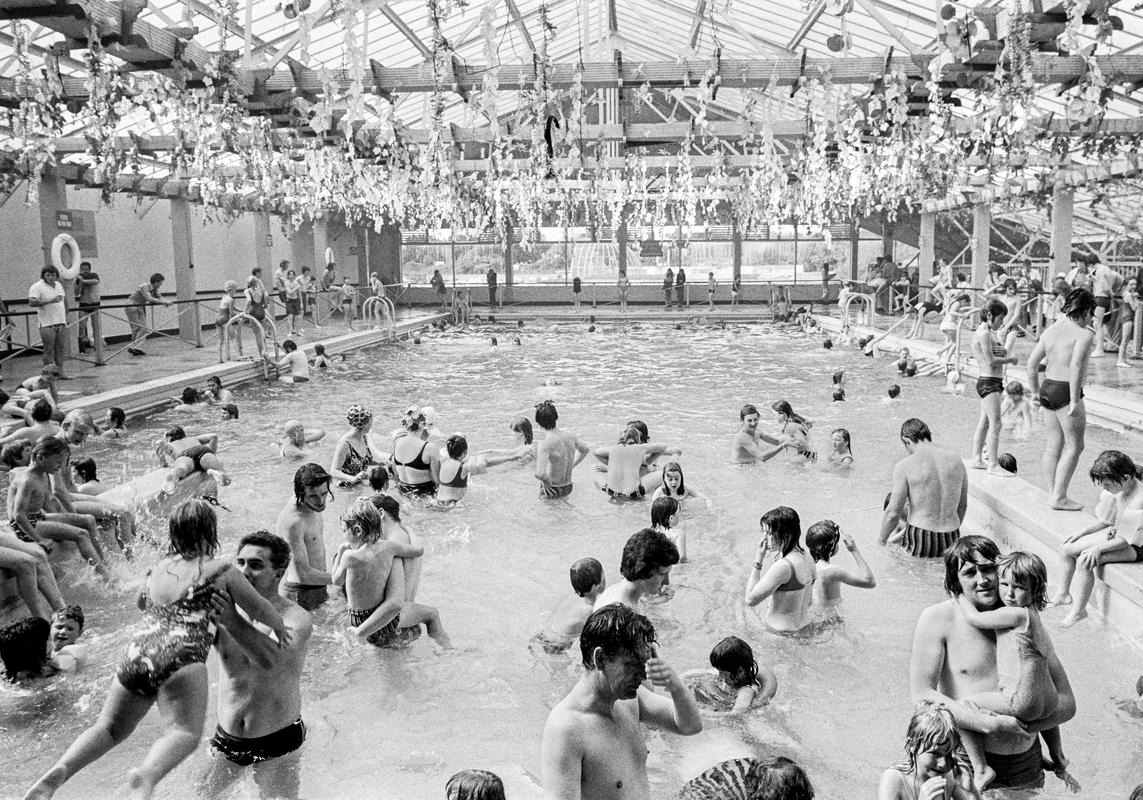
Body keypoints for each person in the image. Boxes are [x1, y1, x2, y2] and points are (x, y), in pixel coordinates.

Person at [23, 500, 290, 800]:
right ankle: (147, 776)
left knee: (109, 728)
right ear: (210, 532)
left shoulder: (158, 568)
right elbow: (259, 607)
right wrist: (278, 624)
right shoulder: (223, 570)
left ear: (173, 534)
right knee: (184, 733)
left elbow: (141, 603)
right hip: (183, 652)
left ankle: (58, 772)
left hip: (138, 650)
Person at [910, 536, 1076, 790]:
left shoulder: (1022, 620)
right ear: (955, 580)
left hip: (1026, 761)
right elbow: (921, 696)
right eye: (969, 573)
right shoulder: (938, 618)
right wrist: (990, 724)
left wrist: (1023, 726)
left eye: (988, 569)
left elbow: (1066, 703)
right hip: (964, 761)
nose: (983, 579)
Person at [540, 604, 702, 799]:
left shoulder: (630, 702)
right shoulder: (566, 729)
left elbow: (690, 726)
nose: (643, 675)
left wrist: (675, 685)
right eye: (632, 664)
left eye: (645, 663)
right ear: (600, 659)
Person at [198, 531, 313, 800]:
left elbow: (273, 660)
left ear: (279, 573)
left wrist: (230, 621)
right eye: (240, 563)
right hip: (227, 739)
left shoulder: (296, 618)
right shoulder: (223, 607)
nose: (244, 571)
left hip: (277, 741)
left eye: (256, 565)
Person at [953, 551, 1069, 791]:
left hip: (1022, 699)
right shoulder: (1035, 618)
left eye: (1018, 587)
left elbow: (975, 619)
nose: (1008, 592)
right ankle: (1058, 758)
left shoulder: (1015, 613)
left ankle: (982, 768)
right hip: (1047, 699)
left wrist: (958, 594)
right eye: (1004, 584)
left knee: (965, 707)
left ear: (1035, 590)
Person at [331, 499, 449, 647]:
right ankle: (446, 649)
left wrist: (342, 551)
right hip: (384, 622)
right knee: (433, 613)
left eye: (344, 531)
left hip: (358, 619)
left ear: (357, 531)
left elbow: (336, 580)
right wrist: (409, 530)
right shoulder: (389, 548)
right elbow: (418, 551)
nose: (344, 536)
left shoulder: (349, 556)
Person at [1052, 450, 1143, 628]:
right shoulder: (1122, 488)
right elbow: (1106, 521)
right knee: (1066, 548)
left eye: (1107, 484)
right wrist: (1081, 534)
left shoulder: (1138, 500)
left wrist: (1098, 548)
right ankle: (1063, 594)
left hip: (1137, 546)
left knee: (1085, 559)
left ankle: (1079, 611)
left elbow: (1126, 540)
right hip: (1122, 535)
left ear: (1125, 477)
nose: (1104, 488)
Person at [1026, 288, 1096, 511]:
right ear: (1084, 312)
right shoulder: (1084, 335)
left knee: (1054, 443)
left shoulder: (1051, 330)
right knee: (1075, 446)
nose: (1091, 319)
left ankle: (1053, 492)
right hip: (1067, 391)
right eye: (1091, 314)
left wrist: (1035, 392)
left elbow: (1031, 364)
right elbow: (1075, 365)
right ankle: (1060, 496)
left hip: (1048, 388)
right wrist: (1075, 400)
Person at [7, 435, 108, 578]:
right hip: (25, 525)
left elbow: (45, 504)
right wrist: (39, 540)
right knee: (81, 534)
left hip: (37, 518)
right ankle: (105, 576)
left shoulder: (42, 474)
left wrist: (66, 520)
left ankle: (105, 563)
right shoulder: (27, 480)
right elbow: (18, 516)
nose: (60, 467)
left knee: (88, 519)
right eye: (57, 462)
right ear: (41, 458)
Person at [879, 419, 967, 558]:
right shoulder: (956, 460)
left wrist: (881, 542)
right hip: (951, 533)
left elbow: (893, 513)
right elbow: (962, 506)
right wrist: (951, 529)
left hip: (921, 534)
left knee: (911, 574)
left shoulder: (905, 465)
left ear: (906, 440)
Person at [878, 702, 979, 800]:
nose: (943, 764)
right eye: (935, 753)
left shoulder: (948, 776)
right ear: (913, 745)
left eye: (948, 754)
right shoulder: (893, 779)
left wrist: (971, 791)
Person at [744, 506, 815, 633]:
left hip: (779, 635)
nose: (765, 538)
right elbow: (808, 602)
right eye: (764, 532)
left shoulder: (783, 566)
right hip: (804, 629)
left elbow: (750, 600)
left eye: (769, 533)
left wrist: (758, 560)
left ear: (786, 535)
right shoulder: (808, 558)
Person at [970, 299, 1019, 476]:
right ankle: (993, 464)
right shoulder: (983, 333)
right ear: (989, 315)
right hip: (988, 381)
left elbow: (996, 353)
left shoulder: (989, 333)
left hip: (992, 381)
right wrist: (1011, 360)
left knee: (984, 422)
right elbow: (990, 361)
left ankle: (976, 458)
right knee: (996, 424)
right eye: (1000, 318)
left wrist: (1004, 349)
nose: (1002, 322)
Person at [276, 463, 334, 612]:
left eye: (324, 493)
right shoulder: (293, 522)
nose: (321, 501)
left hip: (318, 584)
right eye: (313, 496)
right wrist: (344, 578)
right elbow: (303, 574)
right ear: (300, 494)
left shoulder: (312, 505)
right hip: (300, 593)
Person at [684, 635, 777, 714]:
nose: (720, 676)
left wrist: (700, 713)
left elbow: (735, 715)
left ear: (740, 671)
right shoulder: (733, 674)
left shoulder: (746, 691)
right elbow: (696, 674)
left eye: (723, 674)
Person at [594, 528, 679, 610]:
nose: (666, 582)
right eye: (663, 574)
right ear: (643, 571)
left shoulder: (614, 591)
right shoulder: (623, 612)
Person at [536, 557, 605, 653]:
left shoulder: (574, 598)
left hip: (544, 635)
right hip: (556, 645)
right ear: (595, 587)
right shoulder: (590, 611)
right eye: (603, 576)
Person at [593, 428, 680, 500]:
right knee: (663, 474)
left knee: (597, 476)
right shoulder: (640, 448)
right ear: (638, 440)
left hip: (611, 491)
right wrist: (648, 461)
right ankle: (670, 497)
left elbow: (596, 452)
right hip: (634, 492)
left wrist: (612, 465)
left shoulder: (613, 449)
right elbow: (663, 446)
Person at [806, 520, 875, 611]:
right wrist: (854, 550)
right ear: (832, 547)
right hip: (831, 621)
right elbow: (870, 582)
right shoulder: (832, 571)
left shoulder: (808, 568)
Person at [433, 433, 519, 504]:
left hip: (437, 503)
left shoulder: (443, 463)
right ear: (464, 452)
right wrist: (510, 458)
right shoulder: (463, 467)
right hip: (451, 506)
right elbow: (488, 463)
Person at [534, 400, 591, 499]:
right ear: (556, 417)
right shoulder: (571, 436)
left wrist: (546, 482)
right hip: (568, 486)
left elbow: (540, 474)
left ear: (538, 422)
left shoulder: (544, 445)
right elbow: (585, 449)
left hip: (552, 488)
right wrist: (572, 465)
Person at [155, 429, 230, 496]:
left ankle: (173, 475)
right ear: (184, 435)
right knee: (223, 475)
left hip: (185, 454)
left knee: (182, 468)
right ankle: (212, 471)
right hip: (203, 450)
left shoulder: (171, 444)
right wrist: (212, 454)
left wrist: (163, 464)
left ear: (169, 438)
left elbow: (159, 443)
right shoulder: (193, 438)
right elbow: (214, 436)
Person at [28, 266, 70, 378]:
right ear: (43, 275)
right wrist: (49, 300)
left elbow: (64, 301)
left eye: (53, 275)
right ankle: (49, 374)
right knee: (48, 349)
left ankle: (60, 372)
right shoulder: (37, 286)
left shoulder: (59, 285)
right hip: (47, 323)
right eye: (48, 275)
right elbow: (32, 302)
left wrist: (66, 316)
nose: (51, 277)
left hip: (60, 321)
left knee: (60, 348)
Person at [391, 406, 439, 495]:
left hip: (403, 493)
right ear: (422, 424)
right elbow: (437, 481)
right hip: (425, 496)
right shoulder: (430, 448)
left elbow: (395, 472)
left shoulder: (397, 443)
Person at [125, 273, 172, 357]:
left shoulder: (154, 289)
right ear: (156, 282)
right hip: (131, 305)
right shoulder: (145, 286)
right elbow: (149, 298)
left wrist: (165, 301)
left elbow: (159, 297)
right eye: (160, 284)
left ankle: (137, 347)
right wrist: (164, 302)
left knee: (143, 328)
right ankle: (134, 347)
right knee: (137, 327)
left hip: (139, 306)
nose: (160, 286)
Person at [329, 404, 376, 487]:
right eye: (371, 421)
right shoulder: (344, 444)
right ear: (364, 424)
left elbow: (362, 461)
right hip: (345, 491)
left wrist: (381, 463)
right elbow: (334, 471)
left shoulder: (363, 437)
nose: (372, 423)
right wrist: (353, 478)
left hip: (359, 487)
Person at [48, 604, 87, 673]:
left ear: (79, 633)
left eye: (70, 629)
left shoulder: (72, 655)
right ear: (50, 628)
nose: (63, 632)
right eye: (59, 627)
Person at [75, 261, 101, 353]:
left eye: (86, 269)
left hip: (95, 304)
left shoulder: (94, 275)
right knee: (82, 327)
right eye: (82, 269)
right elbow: (76, 293)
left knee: (96, 326)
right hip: (84, 304)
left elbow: (95, 281)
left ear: (89, 270)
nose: (84, 271)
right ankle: (82, 349)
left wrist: (83, 280)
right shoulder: (78, 278)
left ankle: (98, 348)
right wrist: (80, 283)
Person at [650, 496, 684, 562]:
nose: (680, 516)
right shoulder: (678, 533)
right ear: (671, 518)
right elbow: (682, 557)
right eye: (678, 513)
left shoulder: (651, 531)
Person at [1117, 276, 1139, 368]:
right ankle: (1120, 360)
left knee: (1125, 340)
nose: (1134, 286)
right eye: (1131, 284)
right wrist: (1136, 298)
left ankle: (1123, 359)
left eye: (1135, 284)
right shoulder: (1129, 295)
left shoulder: (1126, 293)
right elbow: (1134, 307)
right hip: (1127, 318)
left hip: (1125, 317)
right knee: (1125, 340)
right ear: (1126, 285)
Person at [217, 280, 238, 361]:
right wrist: (237, 316)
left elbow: (235, 308)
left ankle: (220, 359)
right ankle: (237, 355)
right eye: (235, 290)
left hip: (218, 319)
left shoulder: (224, 297)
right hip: (225, 320)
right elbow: (232, 313)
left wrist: (243, 310)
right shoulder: (231, 300)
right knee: (233, 336)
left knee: (220, 340)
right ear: (231, 290)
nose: (235, 292)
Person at [283, 270, 304, 336]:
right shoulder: (286, 283)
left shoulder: (296, 283)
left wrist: (301, 303)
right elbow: (289, 292)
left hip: (296, 300)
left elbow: (299, 294)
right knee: (290, 317)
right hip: (289, 301)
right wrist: (296, 287)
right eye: (290, 275)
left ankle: (298, 331)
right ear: (288, 276)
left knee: (297, 317)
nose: (291, 276)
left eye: (292, 275)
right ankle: (290, 332)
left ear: (294, 276)